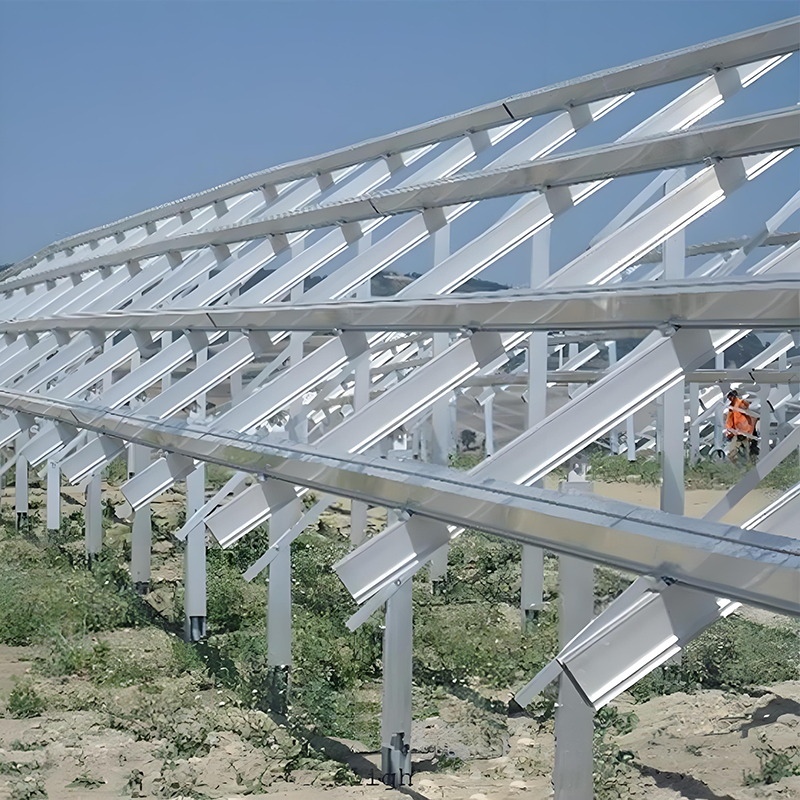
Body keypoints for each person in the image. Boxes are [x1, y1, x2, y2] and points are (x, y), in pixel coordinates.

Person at [724, 389, 755, 464]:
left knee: (742, 451)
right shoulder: (736, 407)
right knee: (746, 452)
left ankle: (747, 464)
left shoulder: (734, 408)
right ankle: (748, 464)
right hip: (742, 433)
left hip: (740, 433)